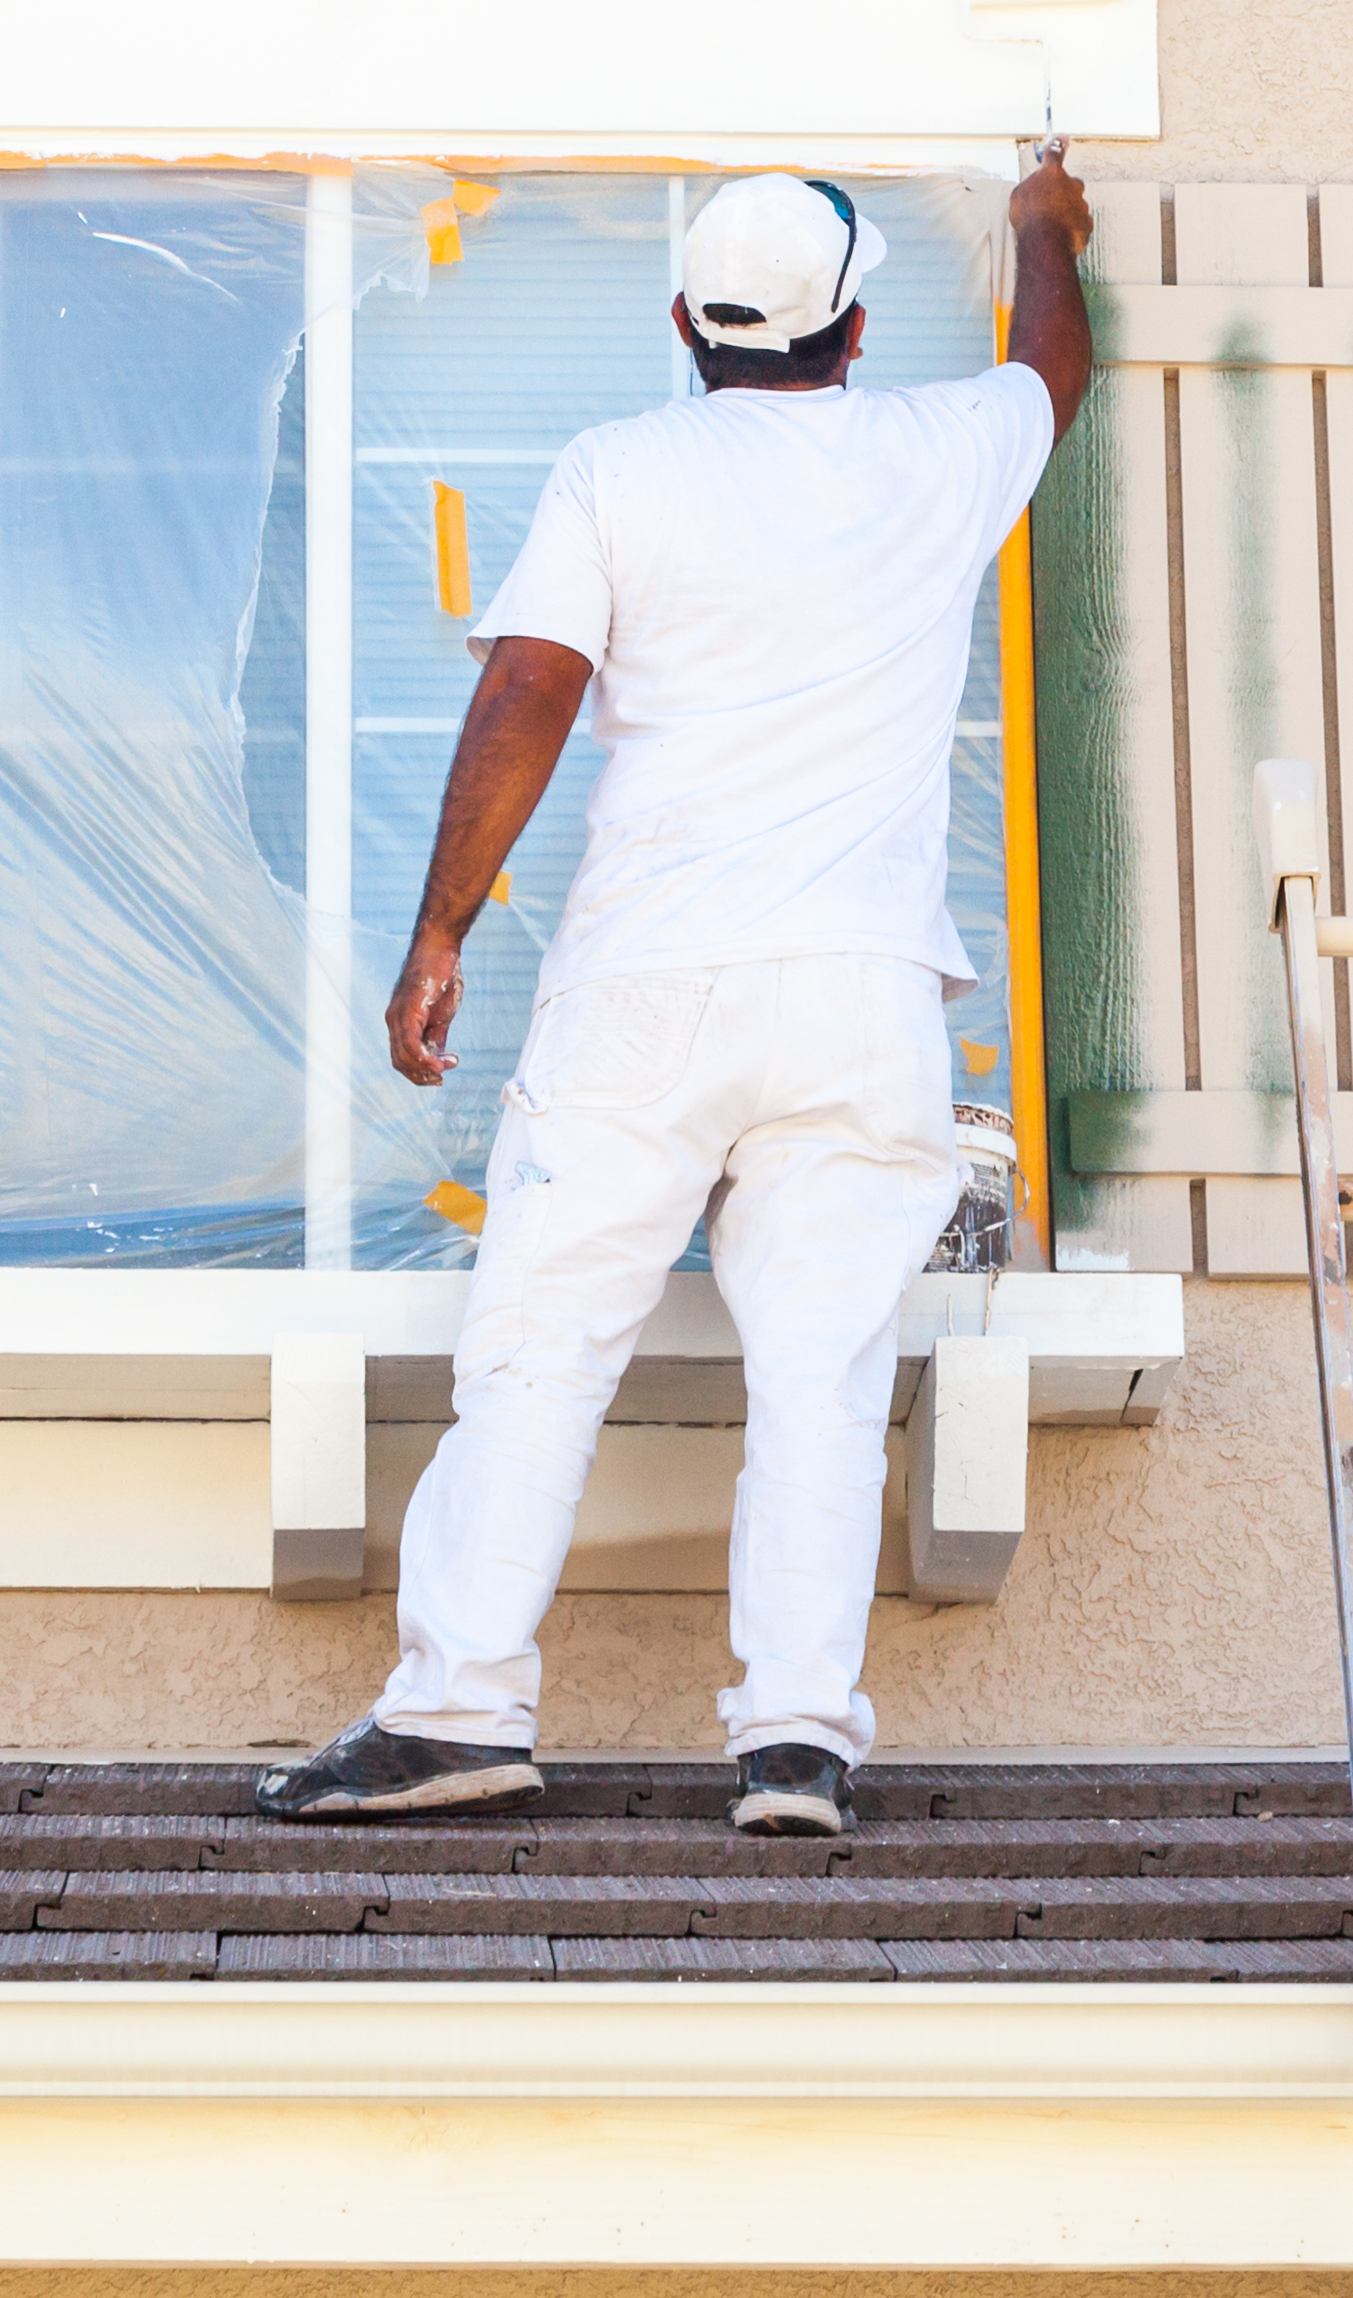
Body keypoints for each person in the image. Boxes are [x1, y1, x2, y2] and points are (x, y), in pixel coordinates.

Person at [257, 141, 1100, 1840]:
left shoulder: (620, 469)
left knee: (541, 1349)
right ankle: (794, 1744)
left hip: (649, 980)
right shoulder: (938, 450)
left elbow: (533, 688)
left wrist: (440, 932)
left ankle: (454, 1713)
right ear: (853, 330)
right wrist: (1041, 228)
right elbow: (1051, 373)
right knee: (824, 1372)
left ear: (682, 324)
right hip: (859, 992)